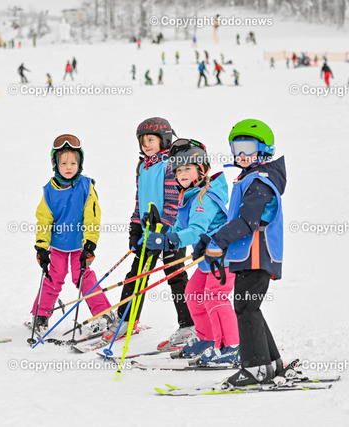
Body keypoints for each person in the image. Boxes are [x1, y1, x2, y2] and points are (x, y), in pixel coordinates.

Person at [194, 119, 286, 387]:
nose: (241, 154)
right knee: (250, 307)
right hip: (248, 256)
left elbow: (248, 222)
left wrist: (219, 241)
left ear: (264, 149)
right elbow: (235, 220)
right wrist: (210, 240)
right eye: (237, 148)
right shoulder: (249, 179)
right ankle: (271, 364)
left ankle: (256, 368)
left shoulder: (260, 182)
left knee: (246, 308)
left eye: (248, 147)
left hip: (257, 256)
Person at [145, 139, 239, 365]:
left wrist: (172, 239)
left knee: (215, 297)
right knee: (194, 293)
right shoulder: (188, 196)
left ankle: (232, 346)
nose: (182, 174)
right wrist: (162, 234)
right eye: (178, 170)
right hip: (209, 260)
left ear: (201, 170)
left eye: (187, 168)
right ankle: (207, 338)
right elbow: (179, 228)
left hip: (224, 257)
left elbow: (196, 231)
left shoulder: (203, 198)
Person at [103, 118, 194, 350]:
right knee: (137, 274)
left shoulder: (169, 165)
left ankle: (189, 325)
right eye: (143, 141)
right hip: (148, 232)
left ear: (164, 140)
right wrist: (135, 227)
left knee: (175, 276)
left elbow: (173, 203)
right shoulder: (142, 167)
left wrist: (161, 229)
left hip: (171, 232)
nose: (146, 145)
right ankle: (126, 320)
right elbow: (139, 202)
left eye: (151, 140)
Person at [31, 135, 115, 335]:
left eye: (73, 163)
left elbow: (92, 216)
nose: (68, 167)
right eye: (63, 163)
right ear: (55, 164)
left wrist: (90, 244)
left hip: (80, 244)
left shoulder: (86, 187)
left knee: (83, 276)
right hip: (58, 245)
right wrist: (41, 247)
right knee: (53, 276)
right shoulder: (49, 191)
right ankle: (40, 315)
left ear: (80, 164)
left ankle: (103, 314)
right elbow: (44, 220)